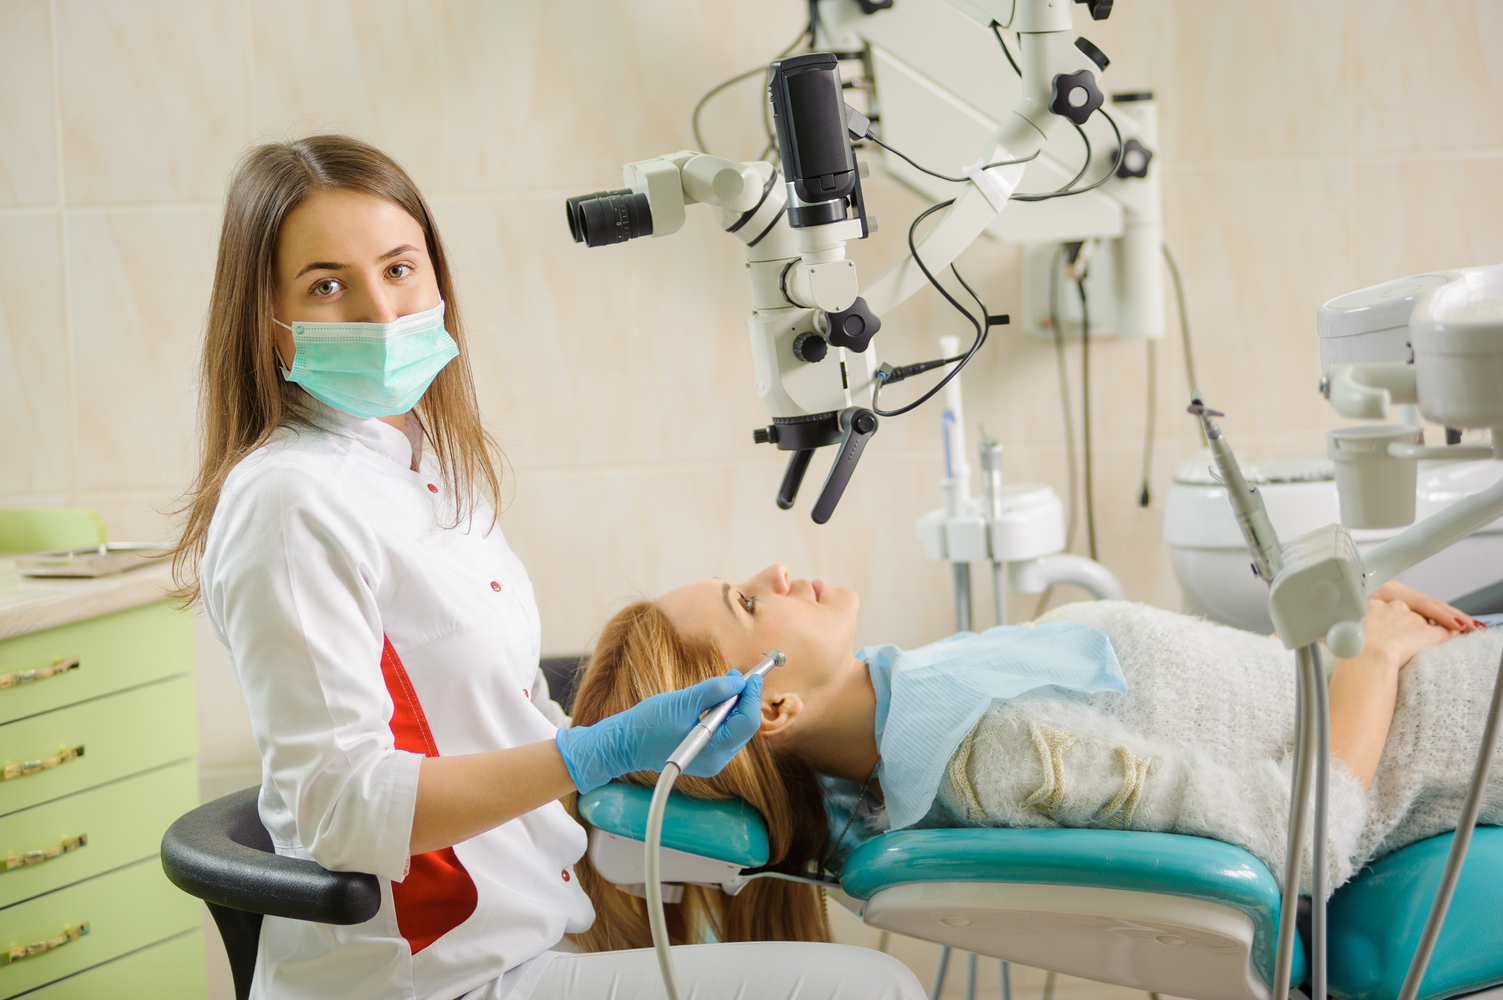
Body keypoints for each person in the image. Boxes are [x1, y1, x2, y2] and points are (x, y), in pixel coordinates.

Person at [172, 136, 925, 1000]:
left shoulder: (431, 468)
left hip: (522, 943)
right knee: (868, 992)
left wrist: (639, 753)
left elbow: (484, 712)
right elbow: (341, 810)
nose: (383, 314)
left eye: (400, 269)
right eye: (328, 285)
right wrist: (593, 752)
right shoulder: (289, 502)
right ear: (265, 322)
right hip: (424, 980)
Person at [566, 563, 1501, 949]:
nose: (772, 574)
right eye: (745, 604)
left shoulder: (922, 700)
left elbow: (1224, 708)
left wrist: (1345, 643)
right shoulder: (999, 756)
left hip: (1436, 676)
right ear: (773, 708)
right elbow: (1299, 838)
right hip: (1467, 734)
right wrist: (1370, 661)